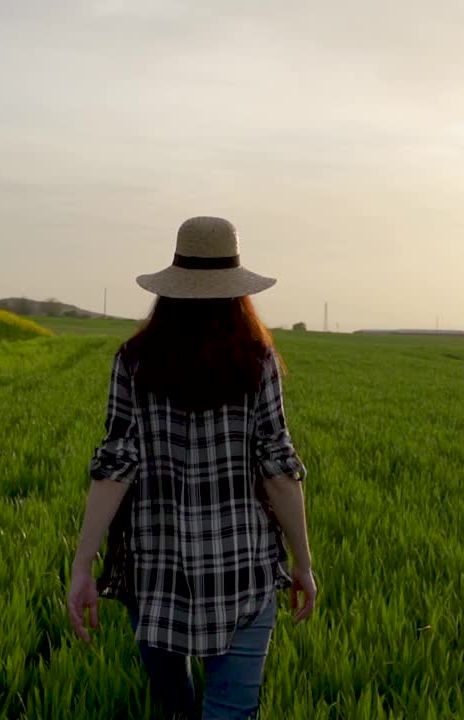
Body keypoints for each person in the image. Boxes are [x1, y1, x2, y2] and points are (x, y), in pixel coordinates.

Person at [68, 216, 317, 719]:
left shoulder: (135, 360)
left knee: (174, 706)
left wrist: (82, 566)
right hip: (241, 567)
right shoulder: (257, 360)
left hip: (153, 568)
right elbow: (278, 469)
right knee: (231, 711)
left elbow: (115, 466)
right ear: (237, 292)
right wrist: (303, 563)